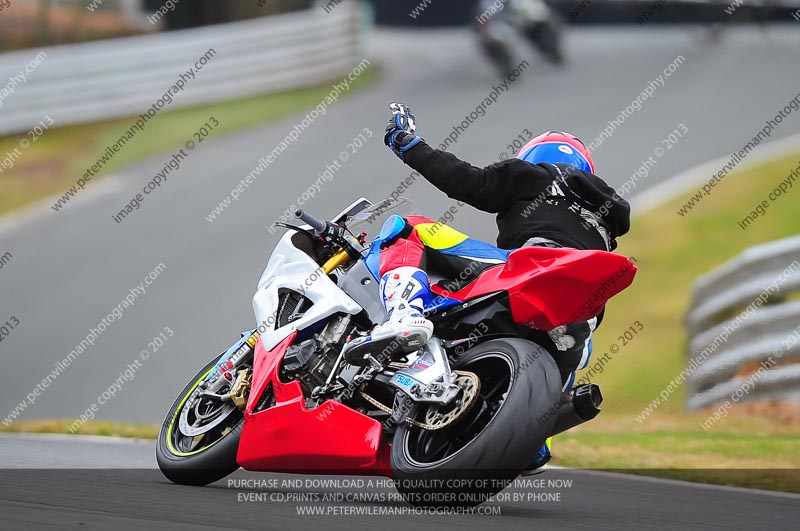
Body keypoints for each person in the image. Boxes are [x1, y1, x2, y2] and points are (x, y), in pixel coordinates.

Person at [343, 103, 630, 472]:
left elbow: (471, 183)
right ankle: (536, 438)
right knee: (580, 346)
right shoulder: (608, 220)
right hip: (578, 324)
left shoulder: (540, 175)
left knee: (408, 227)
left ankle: (404, 315)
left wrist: (407, 143)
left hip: (529, 266)